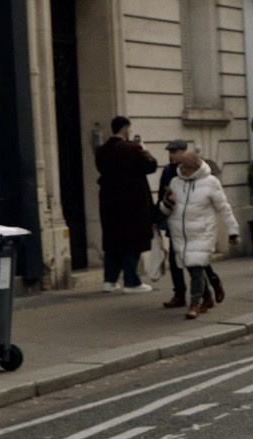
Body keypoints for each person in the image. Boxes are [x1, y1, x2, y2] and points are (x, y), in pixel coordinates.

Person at [159, 151, 239, 319]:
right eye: (181, 166)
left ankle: (194, 303)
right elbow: (166, 209)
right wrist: (168, 202)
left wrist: (232, 231)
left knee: (196, 267)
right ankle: (208, 296)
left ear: (194, 167)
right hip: (181, 233)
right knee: (191, 266)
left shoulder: (210, 182)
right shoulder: (175, 181)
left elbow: (224, 208)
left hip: (202, 231)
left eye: (186, 167)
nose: (183, 170)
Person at [95, 115, 158, 293]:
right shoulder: (132, 149)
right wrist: (144, 150)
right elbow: (151, 166)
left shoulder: (102, 151)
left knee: (112, 240)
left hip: (108, 201)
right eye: (129, 128)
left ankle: (110, 280)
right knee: (132, 240)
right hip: (132, 202)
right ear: (125, 128)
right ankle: (132, 281)